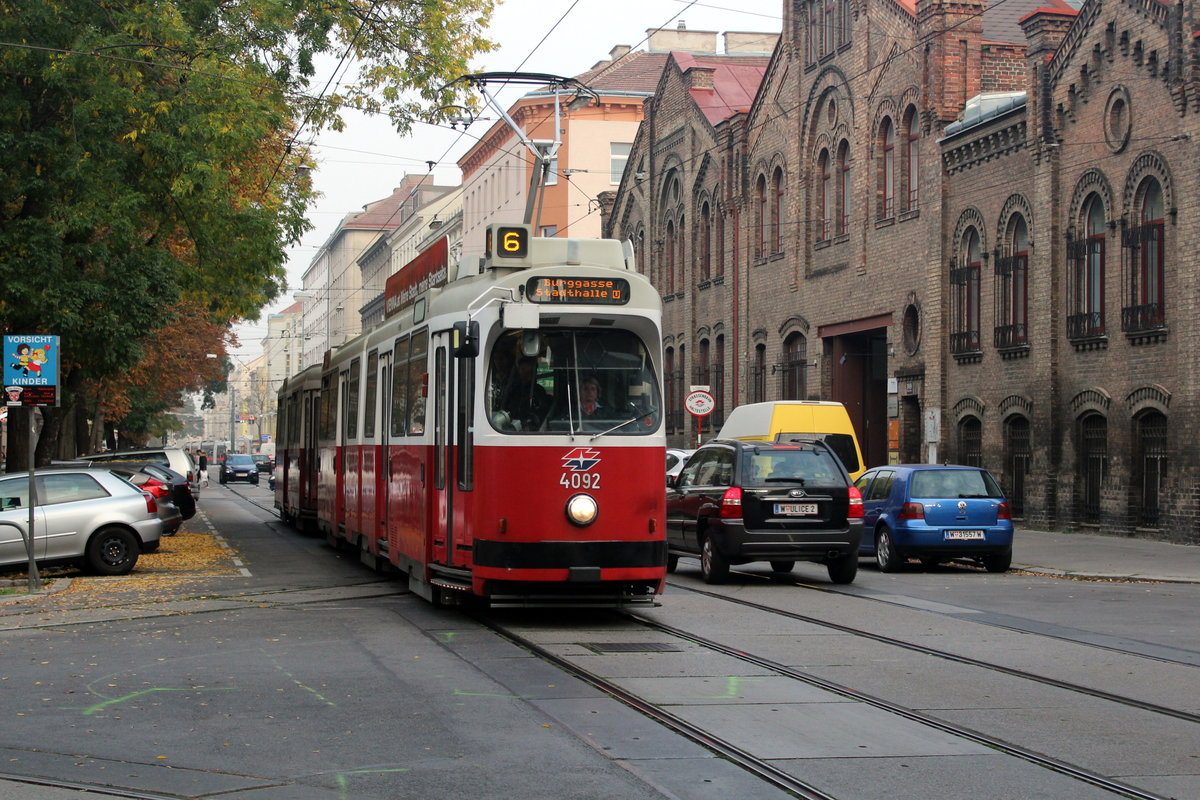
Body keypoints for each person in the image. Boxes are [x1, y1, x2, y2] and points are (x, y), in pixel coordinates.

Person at [501, 357, 550, 429]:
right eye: (523, 369)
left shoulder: (539, 391)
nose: (525, 373)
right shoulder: (513, 389)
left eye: (529, 370)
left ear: (534, 371)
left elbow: (541, 414)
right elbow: (505, 408)